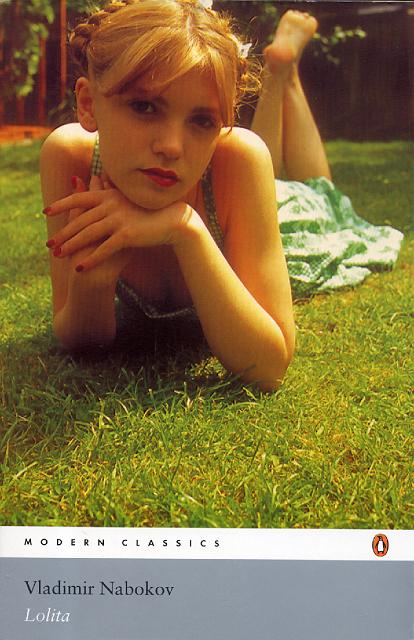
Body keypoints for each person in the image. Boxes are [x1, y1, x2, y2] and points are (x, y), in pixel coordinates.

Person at [40, 0, 296, 392]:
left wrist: (185, 228)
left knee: (317, 192)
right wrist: (92, 283)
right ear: (88, 104)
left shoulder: (238, 158)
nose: (172, 147)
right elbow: (81, 343)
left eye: (202, 120)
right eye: (145, 107)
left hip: (285, 219)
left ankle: (284, 74)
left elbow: (268, 367)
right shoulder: (72, 158)